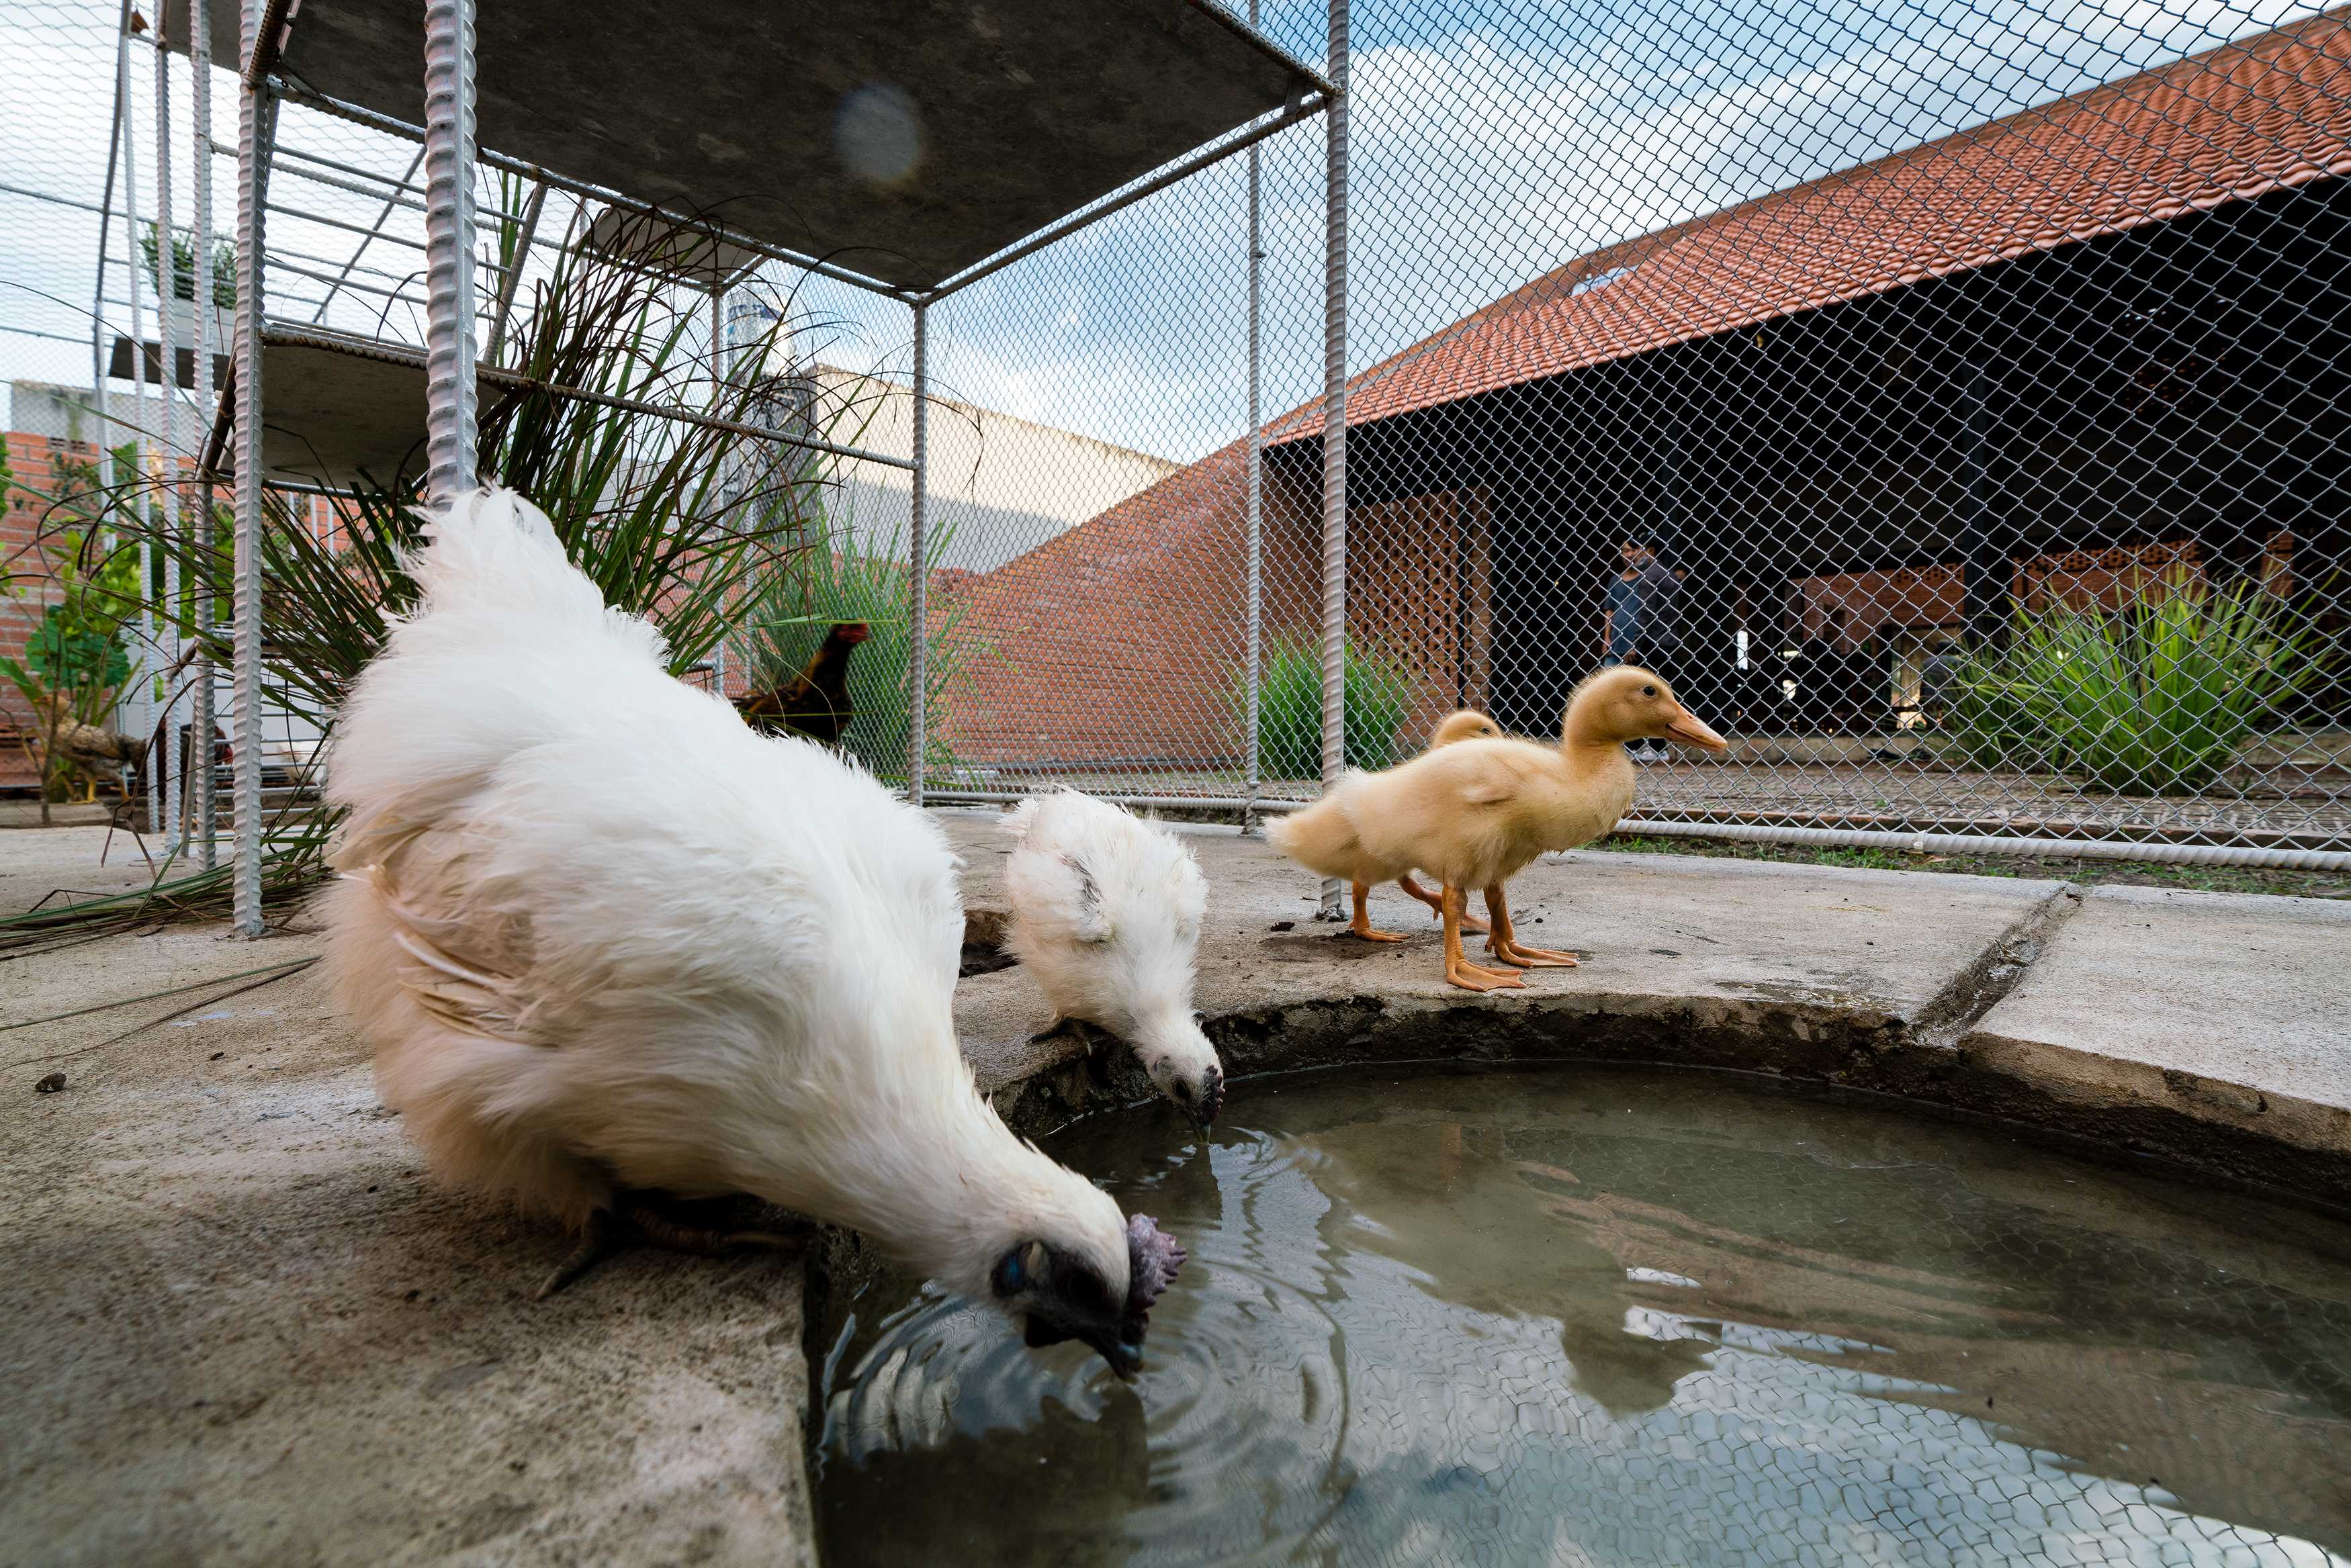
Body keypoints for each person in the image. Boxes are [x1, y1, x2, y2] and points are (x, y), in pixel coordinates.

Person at [1602, 539, 1682, 756]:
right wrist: (1607, 638)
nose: (1631, 555)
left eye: (1635, 551)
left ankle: (1649, 747)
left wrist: (1634, 644)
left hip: (1643, 643)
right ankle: (1634, 746)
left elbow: (1648, 613)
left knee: (1643, 695)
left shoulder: (1648, 577)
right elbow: (1610, 610)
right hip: (1631, 643)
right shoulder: (1620, 580)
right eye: (1626, 551)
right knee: (1618, 694)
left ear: (1648, 551)